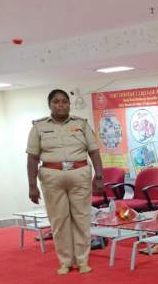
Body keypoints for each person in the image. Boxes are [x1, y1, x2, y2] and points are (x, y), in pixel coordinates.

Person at [26, 90, 105, 274]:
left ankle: (83, 261)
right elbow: (32, 158)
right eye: (56, 101)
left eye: (64, 101)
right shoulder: (39, 127)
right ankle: (66, 262)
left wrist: (99, 177)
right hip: (52, 176)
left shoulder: (81, 124)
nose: (61, 105)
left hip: (79, 174)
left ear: (69, 104)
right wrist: (32, 185)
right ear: (49, 105)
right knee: (59, 220)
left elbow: (94, 152)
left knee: (81, 218)